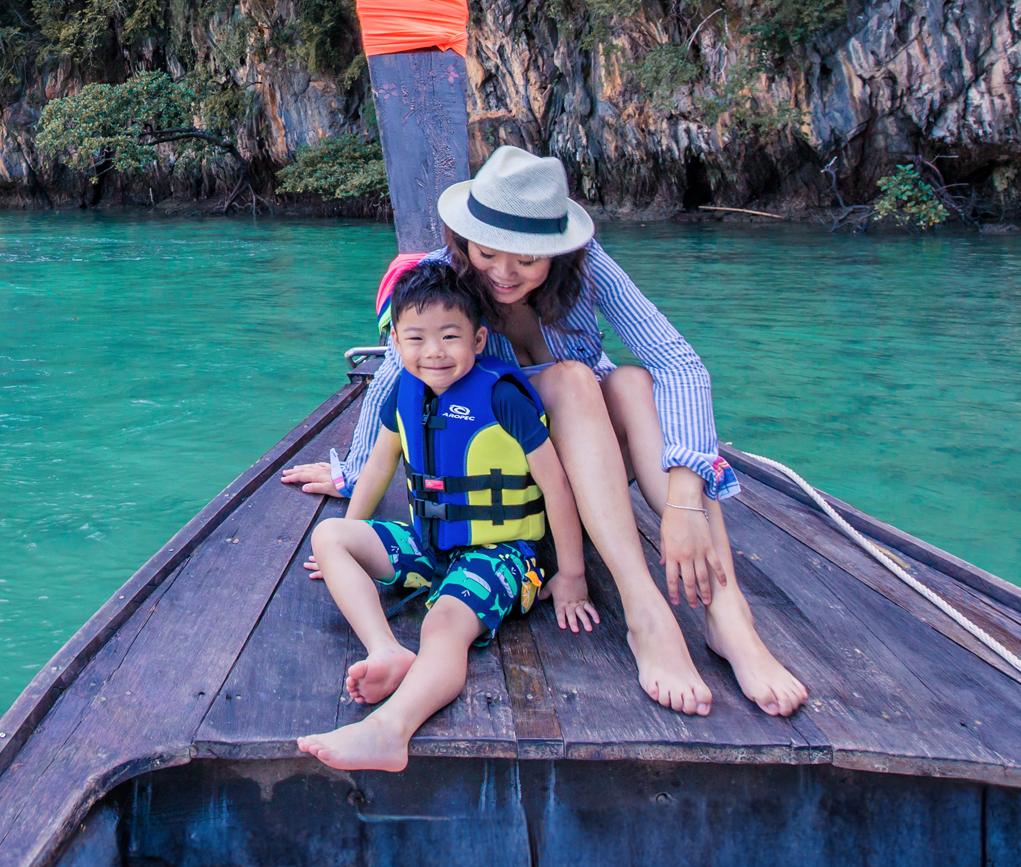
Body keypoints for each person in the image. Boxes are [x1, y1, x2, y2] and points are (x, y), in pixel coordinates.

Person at [282, 145, 808, 719]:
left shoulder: (586, 265)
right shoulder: (443, 282)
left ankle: (729, 618)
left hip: (595, 460)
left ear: (556, 252)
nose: (504, 274)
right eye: (488, 254)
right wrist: (353, 472)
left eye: (527, 260)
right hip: (520, 480)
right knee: (577, 380)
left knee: (631, 382)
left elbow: (680, 364)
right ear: (466, 242)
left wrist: (684, 502)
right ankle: (645, 613)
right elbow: (394, 381)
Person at [296, 263, 594, 772]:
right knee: (330, 535)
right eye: (415, 337)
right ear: (394, 339)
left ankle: (390, 730)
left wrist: (572, 575)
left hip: (500, 555)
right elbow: (377, 468)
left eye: (449, 336)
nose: (433, 351)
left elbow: (557, 486)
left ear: (478, 339)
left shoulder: (502, 396)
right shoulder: (403, 392)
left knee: (443, 625)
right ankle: (386, 651)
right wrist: (357, 535)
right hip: (428, 544)